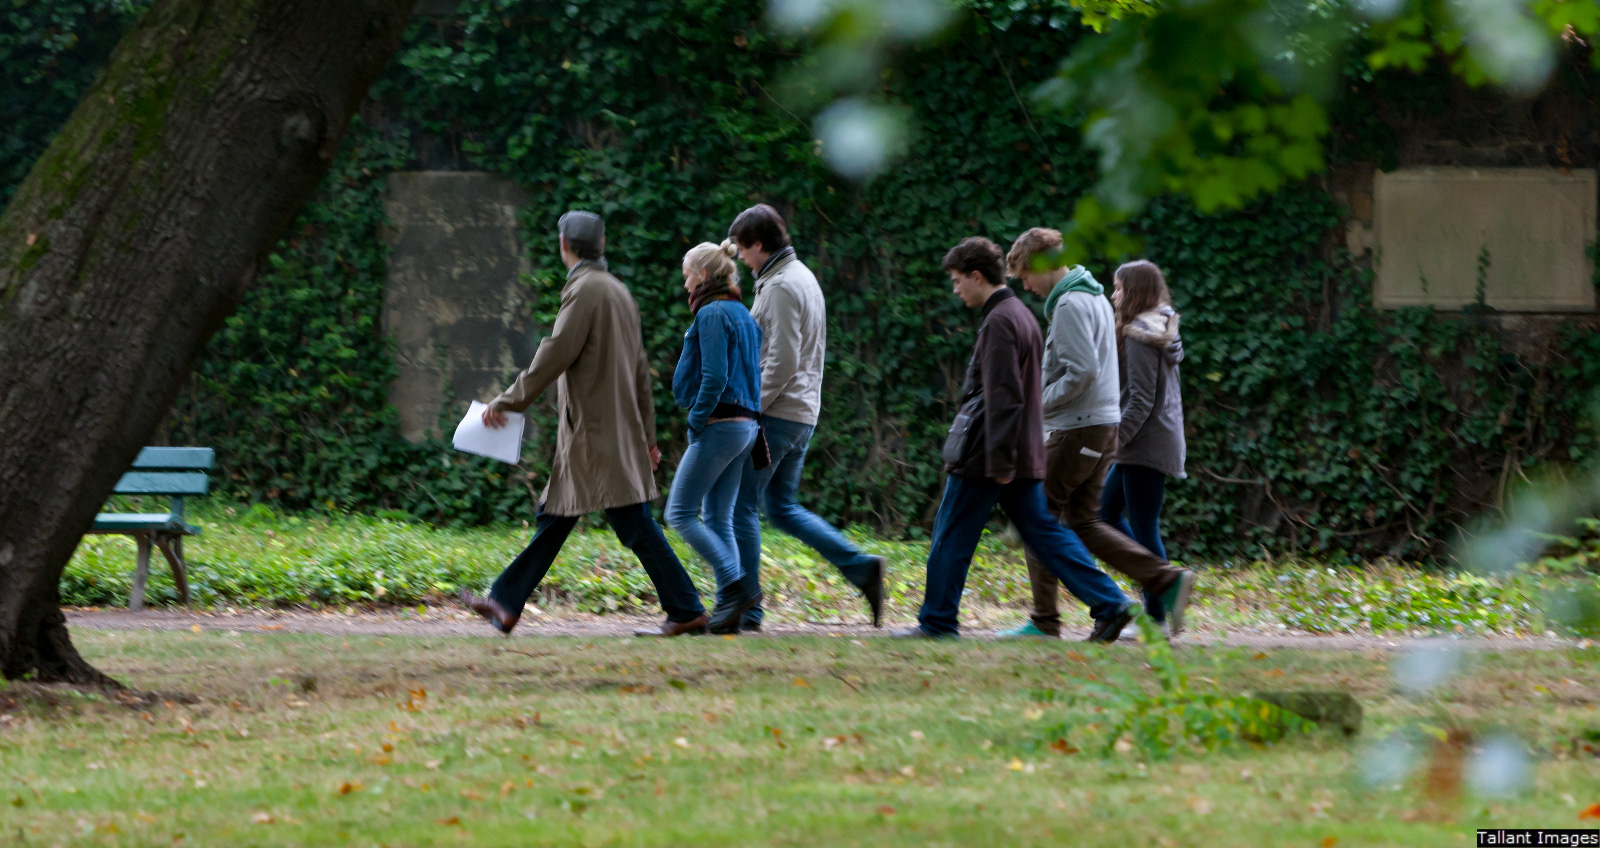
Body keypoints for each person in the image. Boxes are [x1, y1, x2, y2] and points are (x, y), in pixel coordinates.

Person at [459, 211, 708, 638]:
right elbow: (641, 371)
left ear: (564, 244)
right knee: (562, 515)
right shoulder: (618, 291)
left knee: (622, 521)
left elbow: (555, 353)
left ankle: (686, 609)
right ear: (601, 244)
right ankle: (506, 602)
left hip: (593, 432)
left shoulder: (585, 290)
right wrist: (647, 436)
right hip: (613, 430)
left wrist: (507, 402)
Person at [894, 237, 1134, 641]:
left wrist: (1001, 462)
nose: (955, 290)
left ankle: (937, 622)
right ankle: (1111, 603)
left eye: (957, 280)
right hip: (1021, 450)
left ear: (976, 276)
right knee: (1045, 533)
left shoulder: (1000, 321)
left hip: (988, 454)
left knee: (951, 535)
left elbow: (1004, 397)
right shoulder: (1021, 314)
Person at [997, 230, 1195, 640]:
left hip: (1079, 427)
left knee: (1036, 518)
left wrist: (1036, 404)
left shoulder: (1070, 303)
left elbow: (1082, 372)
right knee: (1086, 520)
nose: (1026, 286)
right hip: (1100, 425)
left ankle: (1051, 619)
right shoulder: (1095, 297)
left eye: (1025, 276)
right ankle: (1164, 579)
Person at [724, 204, 884, 631]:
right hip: (801, 415)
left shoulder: (779, 286)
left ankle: (748, 610)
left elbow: (781, 360)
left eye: (742, 248)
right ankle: (861, 567)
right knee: (781, 508)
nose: (740, 256)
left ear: (759, 244)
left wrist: (748, 409)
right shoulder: (801, 276)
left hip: (775, 416)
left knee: (741, 507)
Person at [665, 242, 765, 634]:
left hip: (720, 424)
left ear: (704, 275)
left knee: (679, 513)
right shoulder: (743, 313)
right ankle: (730, 610)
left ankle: (737, 586)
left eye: (687, 275)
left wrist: (697, 418)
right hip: (747, 426)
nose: (685, 284)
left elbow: (715, 376)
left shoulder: (711, 313)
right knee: (718, 517)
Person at [1103, 259, 1187, 596]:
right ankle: (1158, 589)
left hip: (1145, 443)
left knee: (1143, 526)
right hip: (1148, 440)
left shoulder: (1140, 334)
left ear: (1135, 292)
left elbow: (1140, 400)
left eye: (1119, 289)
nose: (1113, 296)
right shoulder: (1158, 326)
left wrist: (1114, 442)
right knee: (1104, 514)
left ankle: (1160, 605)